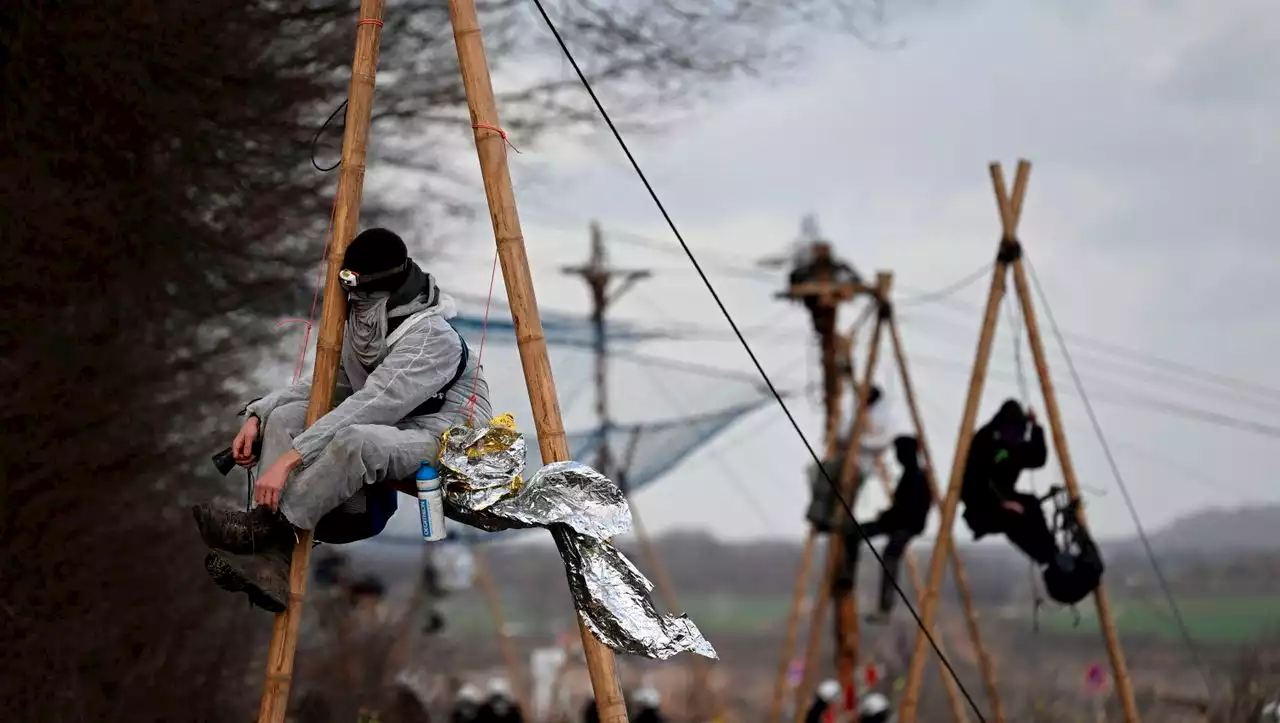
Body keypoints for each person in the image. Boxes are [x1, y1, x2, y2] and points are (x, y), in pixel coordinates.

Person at [193, 228, 492, 612]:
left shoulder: (431, 339)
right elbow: (325, 384)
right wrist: (257, 415)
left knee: (357, 439)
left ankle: (264, 526)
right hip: (392, 426)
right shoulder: (363, 320)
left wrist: (290, 459)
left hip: (443, 439)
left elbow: (372, 405)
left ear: (377, 283)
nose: (348, 292)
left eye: (354, 283)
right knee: (286, 416)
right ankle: (271, 568)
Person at [841, 435, 933, 624]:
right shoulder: (911, 474)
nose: (898, 457)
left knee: (890, 554)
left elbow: (911, 509)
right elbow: (902, 507)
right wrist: (888, 516)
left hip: (908, 525)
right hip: (899, 521)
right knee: (855, 533)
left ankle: (885, 607)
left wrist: (888, 517)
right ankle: (847, 580)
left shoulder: (917, 476)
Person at [960, 399, 1054, 565]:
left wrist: (1036, 428)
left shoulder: (1013, 446)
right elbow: (973, 484)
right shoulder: (985, 442)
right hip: (980, 505)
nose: (1019, 436)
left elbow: (1037, 457)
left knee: (1030, 504)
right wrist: (1001, 504)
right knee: (1014, 517)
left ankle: (1052, 556)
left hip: (1004, 496)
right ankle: (1045, 558)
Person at [808, 385, 892, 534]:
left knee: (841, 483)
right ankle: (821, 515)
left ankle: (834, 517)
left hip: (861, 463)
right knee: (818, 471)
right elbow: (843, 435)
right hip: (846, 459)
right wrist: (835, 423)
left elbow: (880, 442)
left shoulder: (881, 418)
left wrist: (857, 442)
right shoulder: (857, 414)